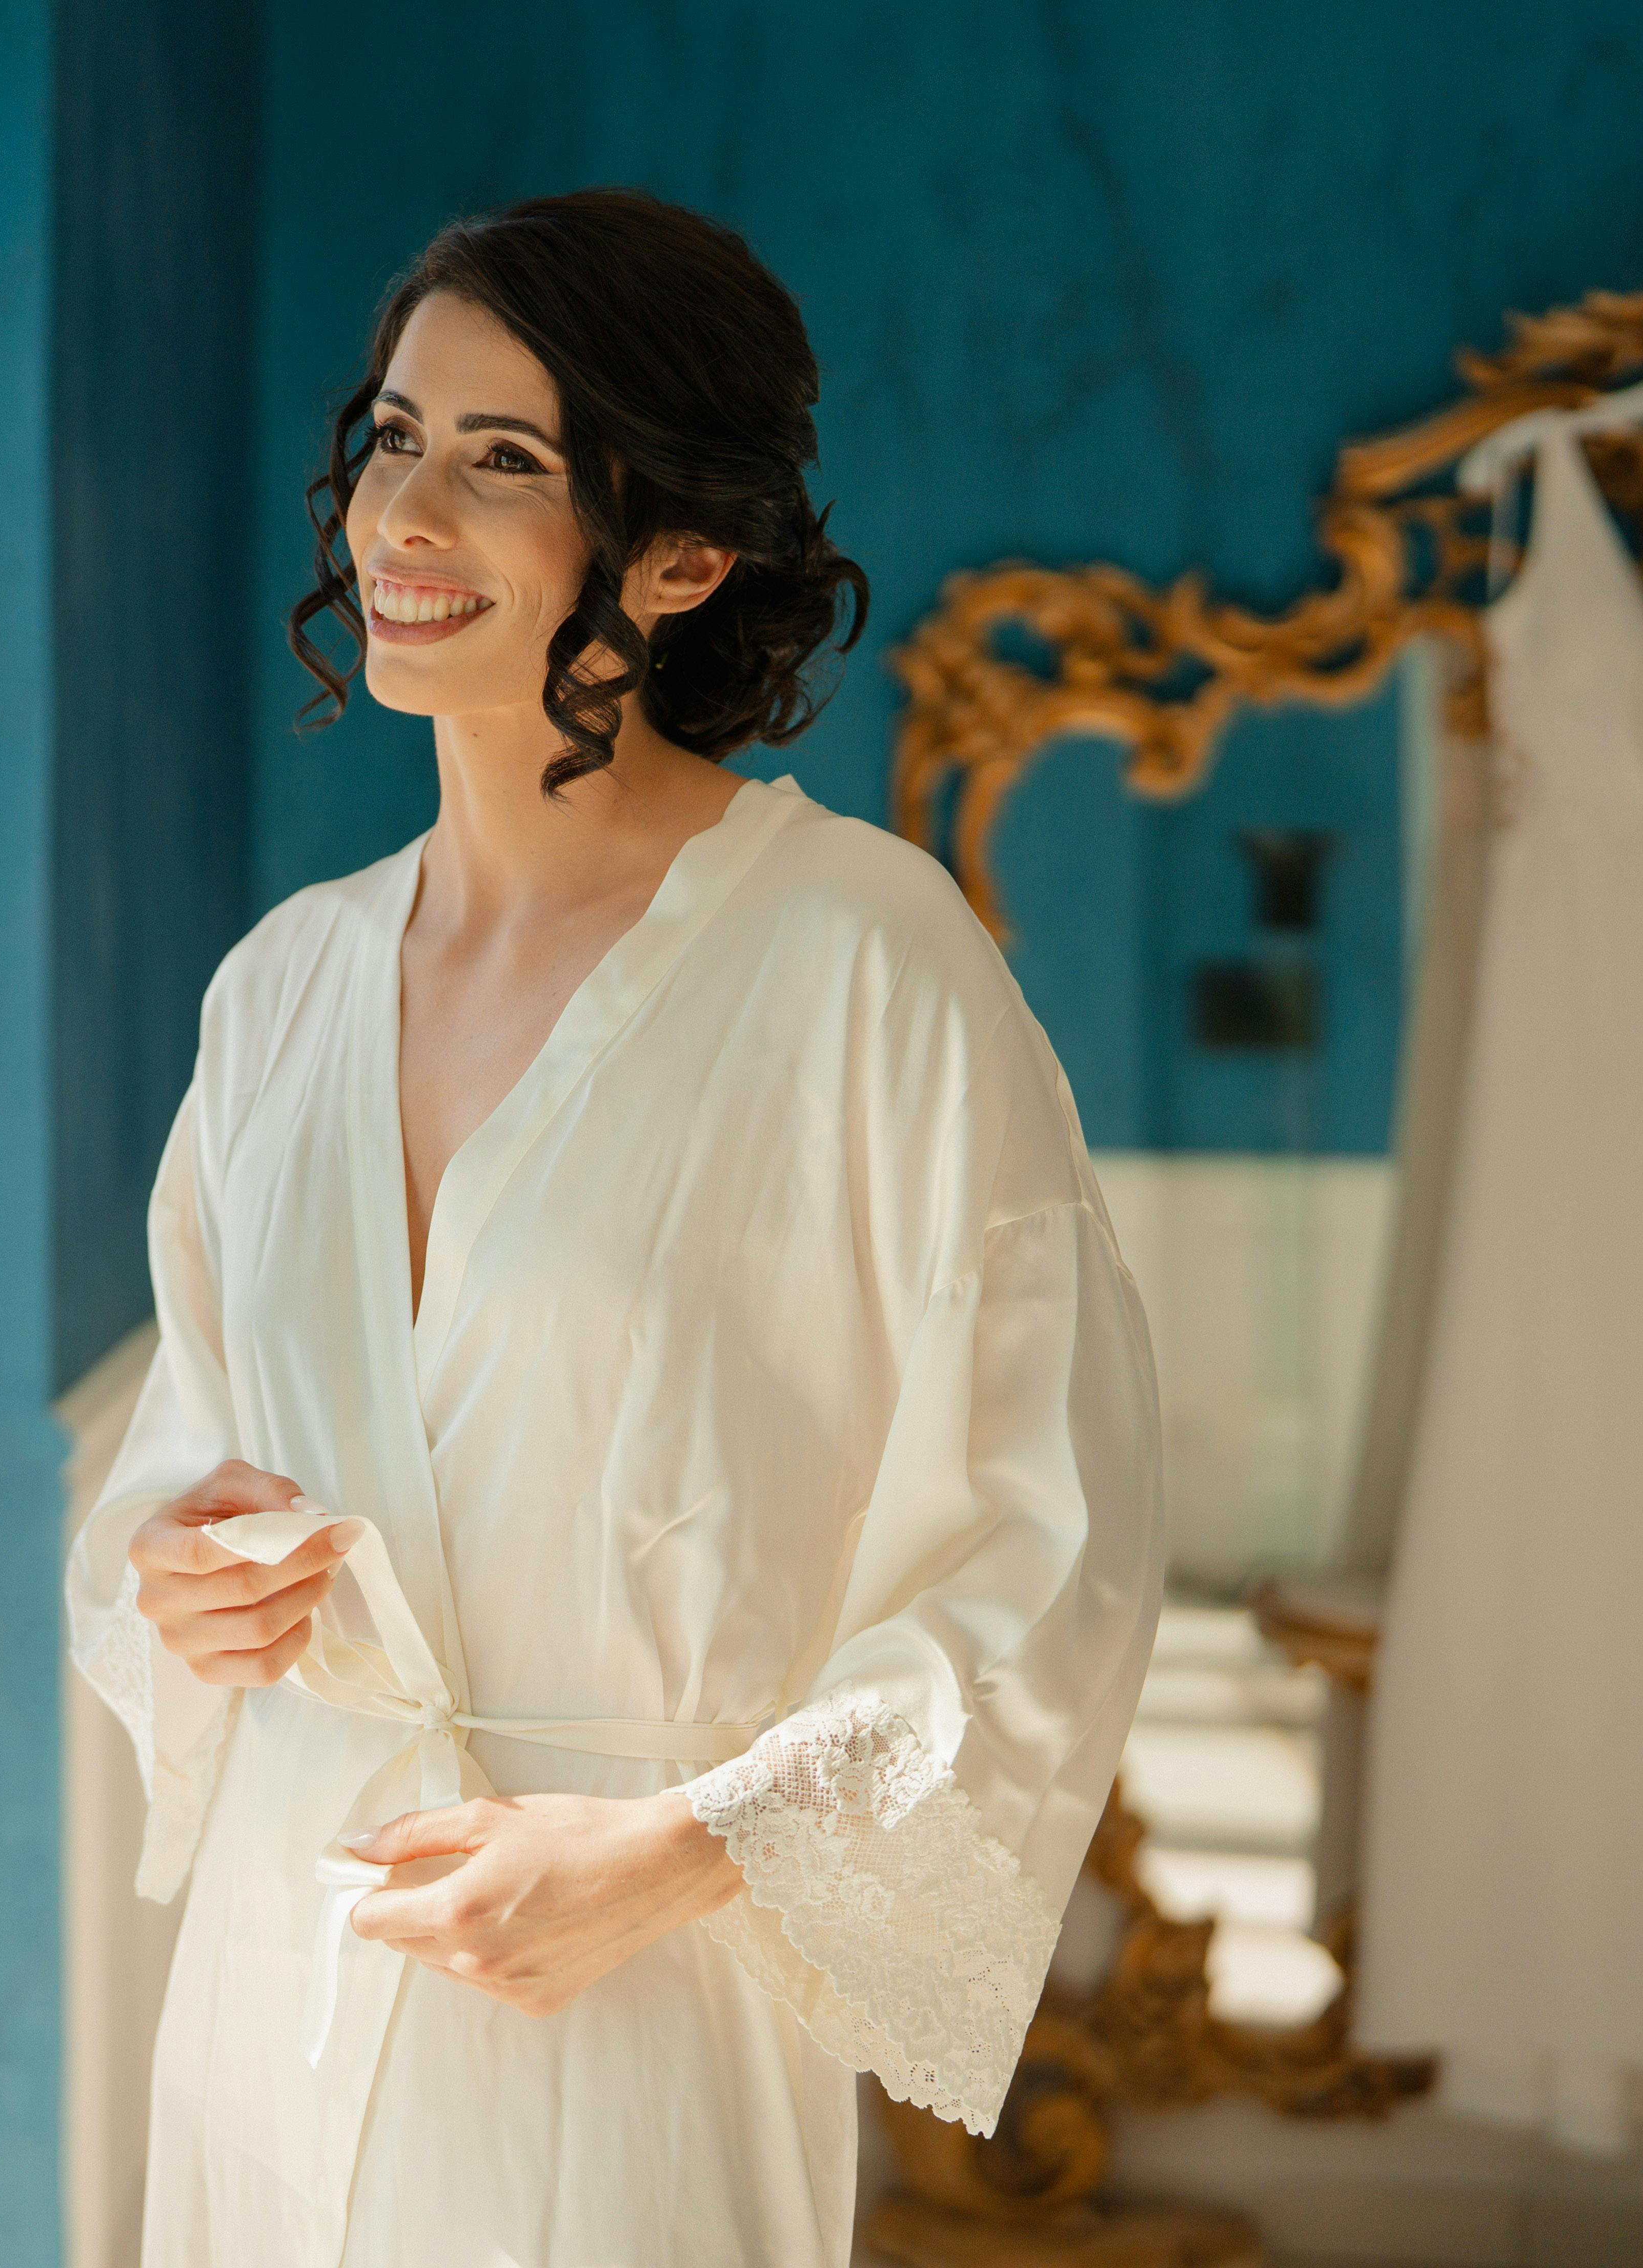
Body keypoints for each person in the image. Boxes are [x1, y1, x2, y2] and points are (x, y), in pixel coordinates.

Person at [65, 190, 1166, 2266]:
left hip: (626, 1995)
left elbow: (1051, 1544)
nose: (405, 516)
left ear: (679, 552)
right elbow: (177, 1459)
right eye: (394, 439)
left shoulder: (864, 963)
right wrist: (176, 1585)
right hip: (274, 1981)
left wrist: (673, 1850)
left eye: (504, 463)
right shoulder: (278, 992)